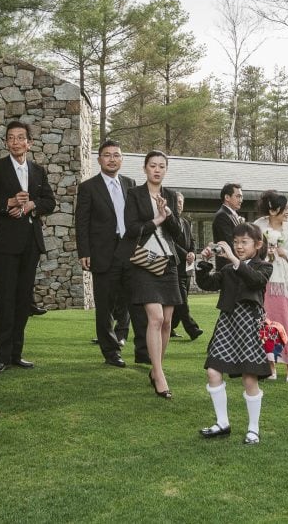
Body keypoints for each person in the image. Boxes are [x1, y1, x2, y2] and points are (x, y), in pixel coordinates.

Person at [0, 121, 56, 375]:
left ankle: (16, 353)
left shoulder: (38, 171)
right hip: (5, 245)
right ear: (6, 142)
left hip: (31, 244)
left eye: (20, 138)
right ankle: (2, 355)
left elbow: (50, 202)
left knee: (23, 300)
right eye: (11, 138)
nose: (15, 142)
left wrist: (30, 206)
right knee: (5, 300)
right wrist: (10, 202)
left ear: (29, 143)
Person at [194, 223, 273, 445]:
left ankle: (253, 429)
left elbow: (255, 281)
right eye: (235, 242)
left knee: (249, 377)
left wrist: (233, 260)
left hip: (249, 324)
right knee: (213, 371)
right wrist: (202, 263)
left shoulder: (264, 267)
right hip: (227, 323)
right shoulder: (228, 269)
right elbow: (207, 283)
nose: (238, 246)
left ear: (257, 245)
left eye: (244, 242)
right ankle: (222, 423)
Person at [116, 150, 184, 398]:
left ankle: (156, 370)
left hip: (168, 262)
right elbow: (131, 228)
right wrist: (156, 219)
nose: (157, 170)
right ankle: (160, 375)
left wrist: (168, 215)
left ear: (166, 170)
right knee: (155, 318)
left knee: (167, 321)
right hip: (144, 262)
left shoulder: (171, 195)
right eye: (153, 165)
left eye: (161, 166)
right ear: (145, 168)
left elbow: (178, 233)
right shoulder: (134, 194)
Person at [75, 139, 141, 367]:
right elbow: (81, 222)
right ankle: (111, 352)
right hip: (102, 252)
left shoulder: (131, 184)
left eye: (116, 155)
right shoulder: (88, 187)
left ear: (122, 159)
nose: (112, 159)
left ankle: (135, 344)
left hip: (129, 250)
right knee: (104, 305)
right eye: (107, 155)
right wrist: (84, 251)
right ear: (99, 159)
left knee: (132, 300)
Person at [253, 191, 288, 382]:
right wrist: (265, 253)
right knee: (266, 322)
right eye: (284, 208)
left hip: (284, 283)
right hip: (264, 281)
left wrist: (284, 253)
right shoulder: (258, 225)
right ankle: (270, 363)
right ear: (272, 210)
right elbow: (251, 249)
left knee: (287, 321)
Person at [169, 192, 203, 341]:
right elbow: (170, 242)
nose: (180, 205)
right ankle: (192, 329)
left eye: (181, 202)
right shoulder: (168, 222)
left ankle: (170, 327)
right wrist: (185, 254)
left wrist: (193, 253)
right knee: (182, 301)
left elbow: (193, 241)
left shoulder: (186, 222)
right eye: (177, 202)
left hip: (187, 269)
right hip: (175, 267)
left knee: (179, 301)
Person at [212, 183, 244, 269]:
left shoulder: (231, 214)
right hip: (228, 266)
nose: (241, 200)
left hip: (235, 265)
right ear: (227, 197)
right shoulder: (222, 216)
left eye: (241, 197)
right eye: (238, 196)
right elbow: (229, 242)